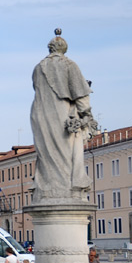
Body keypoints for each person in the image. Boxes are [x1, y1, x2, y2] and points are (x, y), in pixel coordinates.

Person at [30, 29, 98, 203]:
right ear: (64, 49)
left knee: (46, 154)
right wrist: (86, 116)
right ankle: (65, 192)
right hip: (61, 114)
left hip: (39, 114)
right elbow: (81, 95)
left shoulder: (38, 68)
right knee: (65, 154)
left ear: (50, 49)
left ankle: (47, 189)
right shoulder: (69, 65)